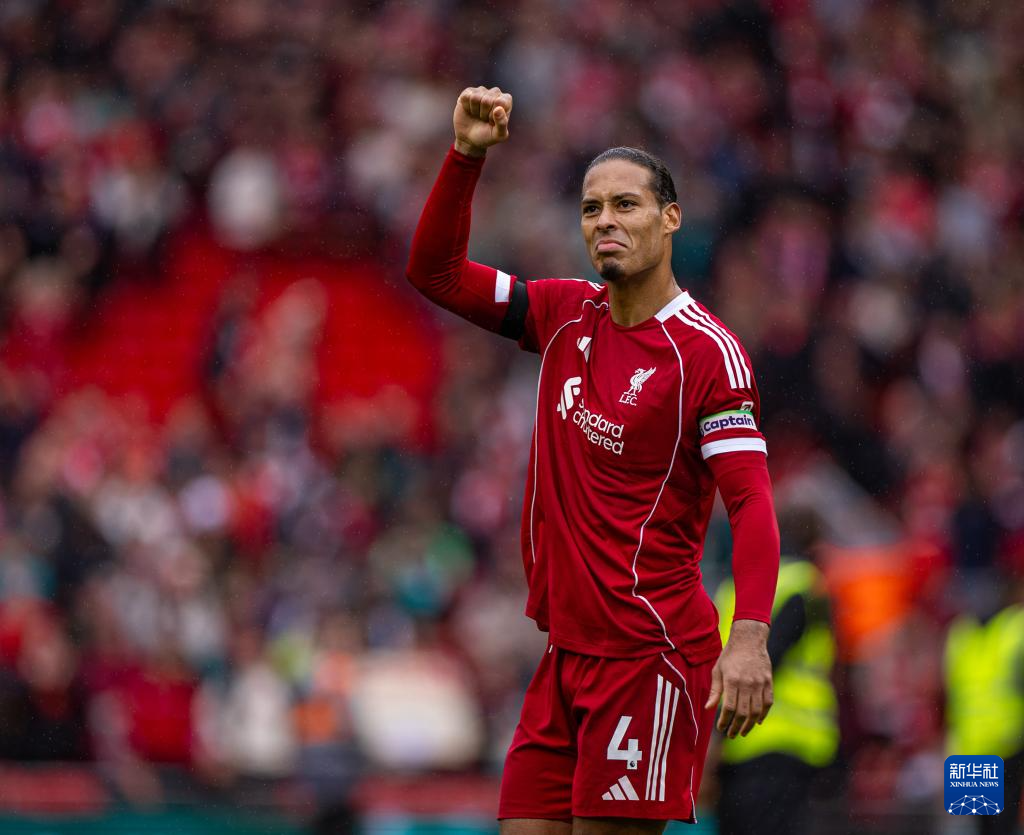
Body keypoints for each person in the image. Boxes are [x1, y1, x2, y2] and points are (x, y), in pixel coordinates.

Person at [406, 86, 781, 833]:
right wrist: (467, 155)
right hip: (565, 656)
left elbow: (750, 501)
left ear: (670, 218)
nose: (605, 220)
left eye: (626, 205)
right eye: (591, 208)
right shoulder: (561, 313)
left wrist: (750, 635)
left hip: (648, 654)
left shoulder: (708, 355)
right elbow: (435, 273)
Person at [713, 507, 839, 835]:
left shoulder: (733, 587)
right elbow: (771, 657)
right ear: (815, 544)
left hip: (737, 738)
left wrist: (714, 736)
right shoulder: (807, 584)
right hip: (787, 737)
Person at [945, 575, 1024, 835]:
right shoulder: (962, 633)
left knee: (994, 826)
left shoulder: (961, 633)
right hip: (982, 745)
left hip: (997, 745)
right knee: (986, 826)